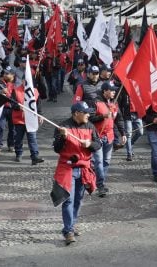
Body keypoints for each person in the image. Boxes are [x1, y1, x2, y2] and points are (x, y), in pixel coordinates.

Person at [52, 102, 102, 245]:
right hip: (67, 168)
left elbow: (98, 145)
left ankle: (71, 225)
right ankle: (68, 231)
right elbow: (57, 149)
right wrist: (61, 137)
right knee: (68, 199)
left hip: (84, 168)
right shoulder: (63, 127)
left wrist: (90, 144)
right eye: (85, 112)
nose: (88, 114)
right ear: (76, 114)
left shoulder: (90, 126)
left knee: (78, 200)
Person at [90, 82, 126, 196]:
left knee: (106, 161)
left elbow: (119, 119)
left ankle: (100, 180)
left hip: (109, 137)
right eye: (112, 90)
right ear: (105, 91)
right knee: (99, 161)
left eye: (115, 90)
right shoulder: (95, 102)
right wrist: (102, 117)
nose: (114, 92)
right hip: (97, 137)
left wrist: (123, 133)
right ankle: (100, 185)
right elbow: (89, 118)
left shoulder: (114, 103)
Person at [10, 78, 45, 164]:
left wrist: (40, 115)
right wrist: (19, 107)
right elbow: (12, 103)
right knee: (18, 138)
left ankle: (34, 157)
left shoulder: (35, 91)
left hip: (31, 119)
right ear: (22, 81)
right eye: (24, 80)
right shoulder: (16, 90)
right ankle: (18, 153)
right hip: (19, 119)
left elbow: (38, 105)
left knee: (32, 138)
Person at [0, 66, 16, 154]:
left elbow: (17, 96)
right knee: (0, 127)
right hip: (1, 108)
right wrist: (0, 92)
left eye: (7, 73)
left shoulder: (15, 83)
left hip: (12, 108)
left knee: (12, 129)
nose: (5, 75)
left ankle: (11, 145)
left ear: (12, 75)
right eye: (4, 73)